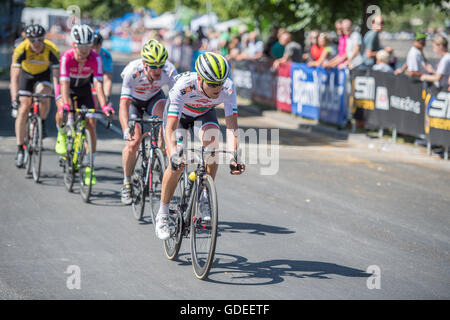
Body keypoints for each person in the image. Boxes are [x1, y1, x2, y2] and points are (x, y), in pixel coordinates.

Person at [155, 52, 245, 240]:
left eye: (220, 83)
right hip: (179, 116)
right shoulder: (184, 86)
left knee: (213, 147)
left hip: (204, 113)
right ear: (200, 78)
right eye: (212, 84)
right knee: (177, 162)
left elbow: (232, 127)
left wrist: (234, 156)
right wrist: (173, 155)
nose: (217, 89)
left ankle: (204, 195)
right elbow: (170, 128)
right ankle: (163, 214)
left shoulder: (227, 88)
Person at [119, 40, 178, 205]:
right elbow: (124, 104)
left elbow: (175, 102)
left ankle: (158, 153)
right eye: (153, 66)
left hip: (154, 98)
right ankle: (127, 182)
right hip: (135, 103)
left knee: (164, 118)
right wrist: (126, 130)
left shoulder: (170, 70)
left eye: (160, 65)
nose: (158, 70)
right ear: (145, 64)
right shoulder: (132, 71)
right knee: (133, 143)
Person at [55, 24, 114, 185]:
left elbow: (99, 85)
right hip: (67, 87)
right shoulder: (66, 57)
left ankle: (90, 166)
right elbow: (64, 85)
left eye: (88, 45)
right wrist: (66, 105)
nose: (86, 49)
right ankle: (61, 134)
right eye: (82, 46)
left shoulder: (96, 58)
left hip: (84, 89)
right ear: (74, 44)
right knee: (63, 111)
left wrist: (105, 106)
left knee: (90, 125)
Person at [10, 24, 60, 168]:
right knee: (24, 107)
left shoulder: (52, 49)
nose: (36, 43)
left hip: (43, 75)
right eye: (33, 40)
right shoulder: (21, 49)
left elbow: (56, 78)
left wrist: (58, 96)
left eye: (40, 40)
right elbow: (14, 78)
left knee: (45, 95)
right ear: (27, 39)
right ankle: (20, 149)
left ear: (44, 39)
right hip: (26, 76)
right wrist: (14, 99)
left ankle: (42, 121)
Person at [91, 32, 113, 105]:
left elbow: (107, 79)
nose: (94, 50)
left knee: (95, 102)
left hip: (98, 78)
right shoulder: (85, 53)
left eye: (97, 47)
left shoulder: (106, 55)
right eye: (92, 47)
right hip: (85, 77)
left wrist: (107, 97)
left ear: (101, 45)